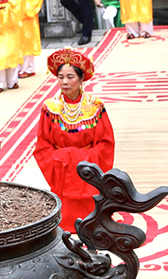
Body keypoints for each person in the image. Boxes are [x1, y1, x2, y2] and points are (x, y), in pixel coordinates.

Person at [33, 48, 115, 232]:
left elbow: (106, 142)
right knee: (64, 221)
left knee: (92, 221)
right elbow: (43, 145)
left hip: (88, 168)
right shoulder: (50, 108)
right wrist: (61, 159)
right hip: (61, 168)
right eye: (60, 77)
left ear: (81, 79)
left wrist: (81, 158)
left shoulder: (95, 106)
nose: (64, 82)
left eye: (70, 77)